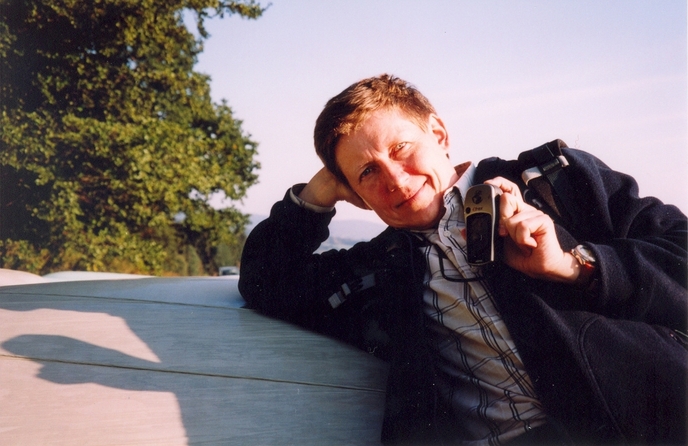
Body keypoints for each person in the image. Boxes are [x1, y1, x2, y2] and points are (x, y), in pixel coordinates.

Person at [239, 74, 687, 445]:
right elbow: (265, 280)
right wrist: (316, 195)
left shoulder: (554, 184)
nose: (394, 179)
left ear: (439, 134)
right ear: (356, 194)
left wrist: (574, 265)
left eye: (400, 149)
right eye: (368, 173)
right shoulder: (385, 267)